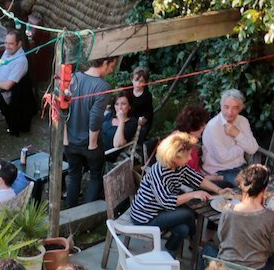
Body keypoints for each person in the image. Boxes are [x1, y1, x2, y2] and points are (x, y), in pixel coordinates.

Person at [128, 131, 218, 257]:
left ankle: (169, 254)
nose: (190, 158)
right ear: (175, 157)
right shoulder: (158, 172)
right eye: (188, 155)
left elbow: (197, 178)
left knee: (183, 229)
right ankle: (194, 240)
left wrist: (219, 190)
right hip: (145, 217)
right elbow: (166, 201)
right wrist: (193, 194)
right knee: (188, 213)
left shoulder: (179, 166)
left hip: (161, 210)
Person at [63, 55, 120, 209]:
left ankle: (70, 213)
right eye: (112, 65)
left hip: (70, 142)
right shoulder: (103, 86)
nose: (112, 69)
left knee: (74, 176)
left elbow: (63, 109)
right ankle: (84, 216)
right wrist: (92, 144)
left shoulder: (74, 78)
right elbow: (95, 118)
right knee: (95, 177)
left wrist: (65, 139)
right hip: (89, 144)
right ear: (105, 63)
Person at [210, 162, 274, 270]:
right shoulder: (271, 216)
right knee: (271, 261)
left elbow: (220, 238)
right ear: (265, 189)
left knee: (208, 249)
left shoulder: (228, 210)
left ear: (241, 185)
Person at [200, 88, 259, 186]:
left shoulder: (243, 121)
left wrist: (236, 133)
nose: (230, 112)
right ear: (221, 106)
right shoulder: (213, 126)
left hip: (241, 166)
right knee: (249, 186)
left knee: (263, 181)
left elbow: (253, 149)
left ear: (240, 108)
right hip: (220, 171)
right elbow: (222, 159)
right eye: (226, 107)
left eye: (235, 108)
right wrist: (242, 145)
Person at [172, 102, 210, 173]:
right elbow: (189, 176)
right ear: (194, 126)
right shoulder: (180, 144)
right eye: (202, 124)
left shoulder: (181, 136)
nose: (204, 126)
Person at [127, 66, 154, 133]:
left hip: (141, 121)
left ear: (145, 82)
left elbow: (149, 111)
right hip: (129, 118)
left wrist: (145, 119)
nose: (138, 84)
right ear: (132, 80)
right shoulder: (128, 93)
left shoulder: (147, 95)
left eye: (141, 81)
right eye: (136, 80)